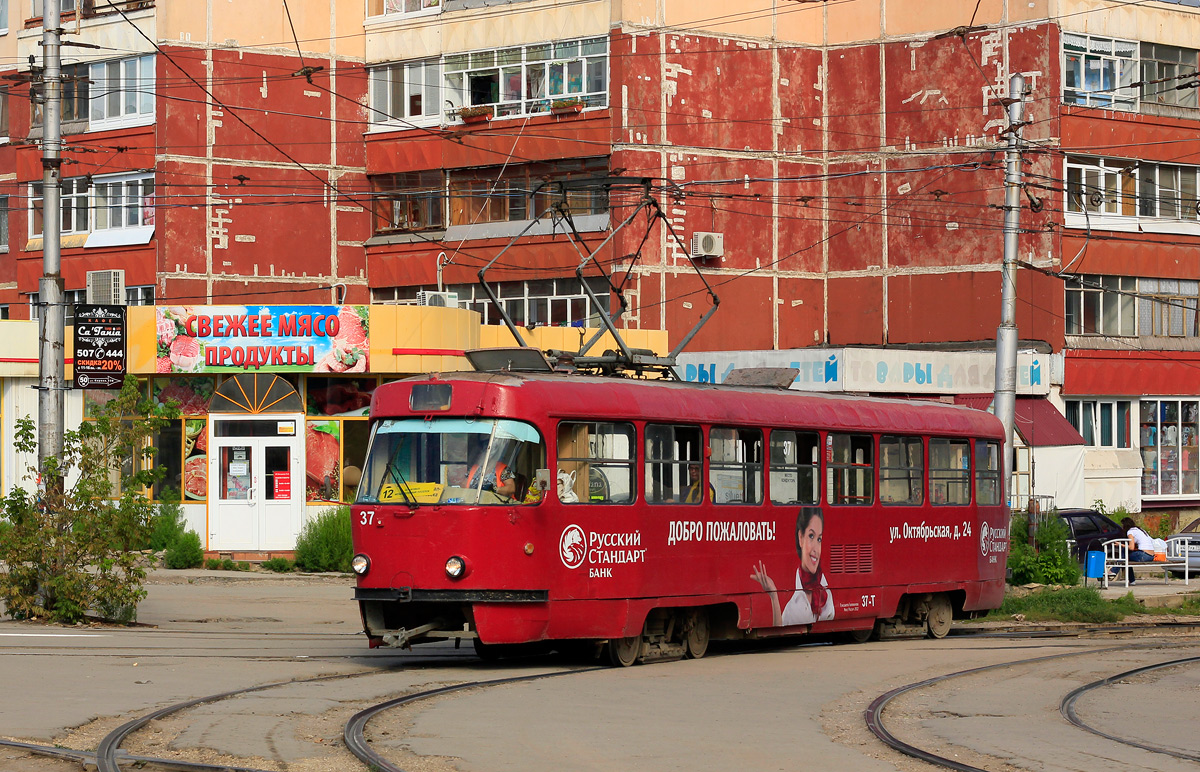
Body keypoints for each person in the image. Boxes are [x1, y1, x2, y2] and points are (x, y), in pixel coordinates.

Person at [750, 507, 834, 626]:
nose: (816, 549)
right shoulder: (792, 605)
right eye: (811, 536)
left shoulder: (827, 593)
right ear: (801, 538)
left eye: (819, 539)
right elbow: (779, 630)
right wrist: (774, 596)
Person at [1113, 516, 1156, 586]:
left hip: (1143, 555)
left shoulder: (1130, 532)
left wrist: (1120, 544)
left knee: (1124, 552)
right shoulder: (1140, 530)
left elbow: (1131, 547)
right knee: (1127, 559)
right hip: (1151, 556)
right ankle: (1131, 581)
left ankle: (1114, 571)